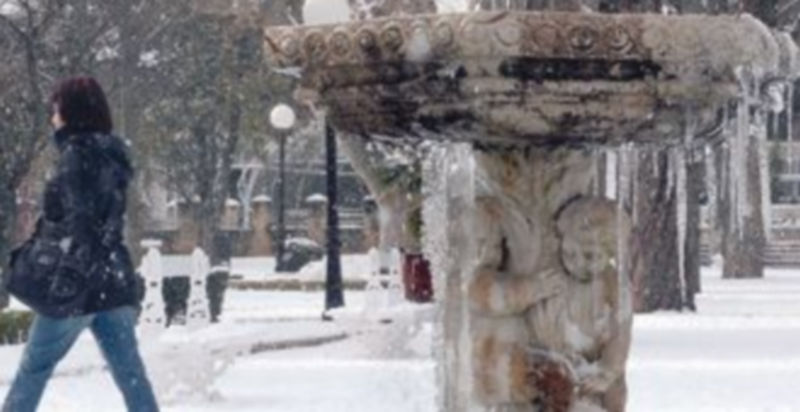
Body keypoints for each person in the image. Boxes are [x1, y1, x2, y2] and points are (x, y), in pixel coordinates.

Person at [2, 77, 159, 412]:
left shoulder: (76, 155)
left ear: (71, 111)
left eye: (56, 108)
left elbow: (81, 222)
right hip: (113, 281)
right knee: (130, 373)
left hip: (77, 285)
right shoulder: (113, 155)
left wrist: (67, 278)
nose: (52, 116)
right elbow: (108, 222)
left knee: (34, 369)